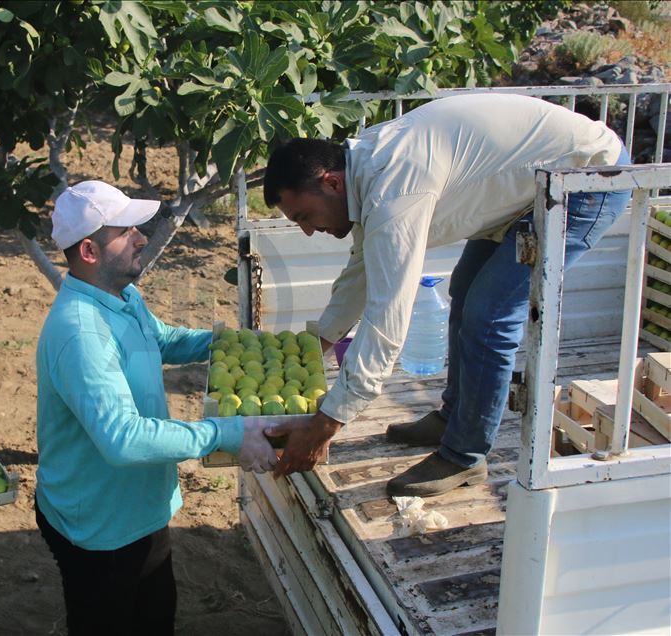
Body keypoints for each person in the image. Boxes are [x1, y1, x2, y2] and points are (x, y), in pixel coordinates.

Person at [262, 93, 631, 497]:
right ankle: (454, 417)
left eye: (304, 216)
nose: (308, 231)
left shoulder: (392, 190)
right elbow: (363, 270)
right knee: (465, 291)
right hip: (527, 186)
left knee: (488, 316)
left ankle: (465, 455)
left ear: (331, 182)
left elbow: (387, 320)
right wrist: (319, 342)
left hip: (585, 178)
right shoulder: (364, 170)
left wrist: (328, 422)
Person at [34, 180, 283, 635]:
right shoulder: (80, 332)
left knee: (155, 616)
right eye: (126, 231)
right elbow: (123, 439)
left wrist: (224, 343)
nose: (141, 237)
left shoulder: (121, 295)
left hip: (138, 509)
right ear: (89, 251)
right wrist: (227, 434)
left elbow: (159, 338)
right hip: (100, 528)